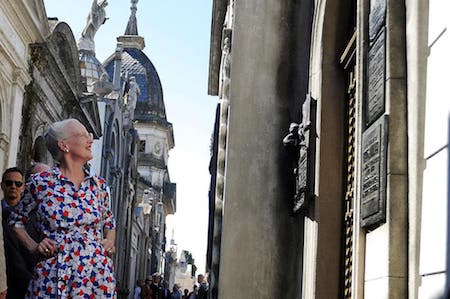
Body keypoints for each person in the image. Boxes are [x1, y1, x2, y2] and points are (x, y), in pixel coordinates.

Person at [9, 118, 116, 298]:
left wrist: (109, 241)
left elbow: (109, 221)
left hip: (96, 278)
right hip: (53, 277)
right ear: (64, 145)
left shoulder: (98, 186)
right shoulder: (40, 183)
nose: (90, 140)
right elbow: (15, 220)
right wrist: (34, 246)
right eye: (83, 136)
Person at [1, 167, 34, 299]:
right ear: (2, 185)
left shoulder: (32, 218)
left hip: (24, 288)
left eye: (18, 184)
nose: (13, 187)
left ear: (23, 187)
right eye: (9, 183)